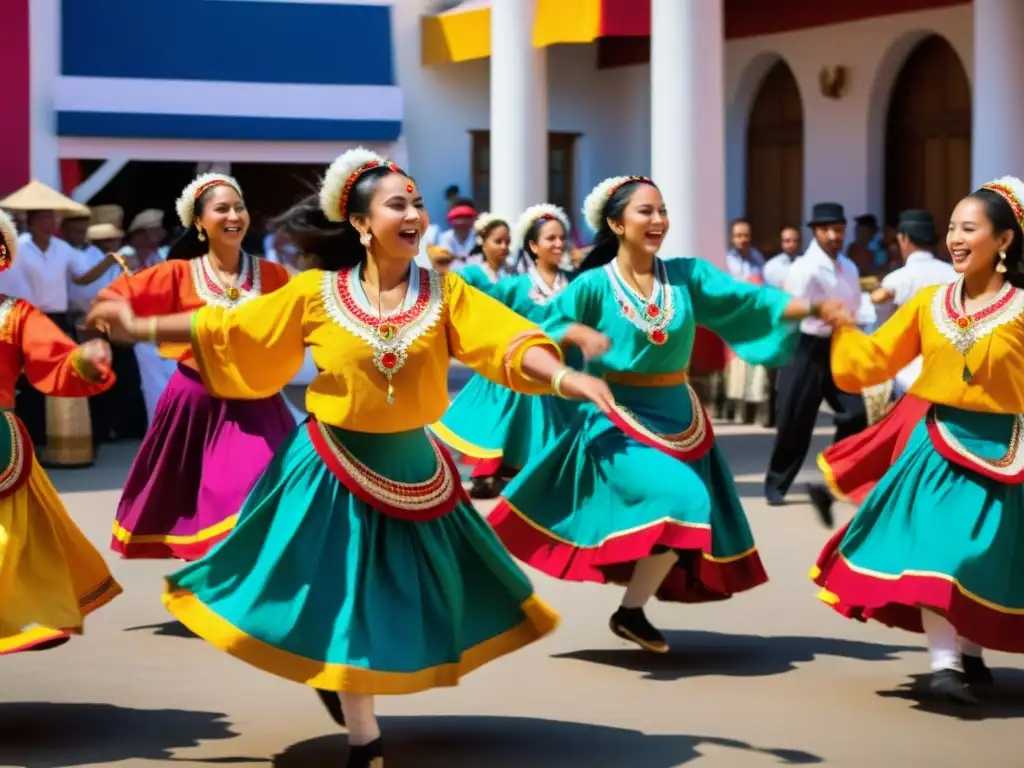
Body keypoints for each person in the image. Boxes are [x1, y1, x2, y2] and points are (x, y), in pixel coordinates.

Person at [87, 147, 614, 767]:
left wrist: (563, 378)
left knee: (410, 597)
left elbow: (504, 341)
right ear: (361, 224)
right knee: (348, 596)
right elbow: (229, 329)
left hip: (413, 468)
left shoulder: (448, 294)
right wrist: (140, 326)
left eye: (417, 202)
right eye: (399, 204)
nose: (414, 213)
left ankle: (346, 686)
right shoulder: (316, 292)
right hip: (330, 468)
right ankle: (365, 738)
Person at [486, 176, 852, 652]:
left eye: (662, 210)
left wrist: (810, 305)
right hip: (617, 420)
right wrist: (575, 332)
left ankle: (632, 611)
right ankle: (629, 605)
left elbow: (745, 299)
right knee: (685, 500)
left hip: (680, 417)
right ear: (617, 223)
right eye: (645, 211)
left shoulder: (685, 275)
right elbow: (537, 328)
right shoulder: (594, 285)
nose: (658, 220)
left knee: (680, 511)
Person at [812, 177, 1024, 705]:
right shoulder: (930, 302)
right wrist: (843, 329)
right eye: (951, 227)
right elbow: (875, 359)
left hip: (1007, 449)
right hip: (938, 443)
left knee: (984, 556)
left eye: (968, 228)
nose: (955, 237)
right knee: (939, 550)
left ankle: (969, 655)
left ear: (1003, 241)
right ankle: (945, 663)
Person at [98, 173, 294, 560]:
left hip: (258, 402)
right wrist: (103, 332)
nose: (234, 215)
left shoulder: (274, 276)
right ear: (200, 222)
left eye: (239, 207)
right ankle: (210, 587)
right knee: (208, 500)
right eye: (222, 209)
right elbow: (112, 301)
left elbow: (299, 320)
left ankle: (242, 587)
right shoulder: (176, 274)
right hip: (197, 402)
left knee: (260, 484)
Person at [0, 209, 123, 655]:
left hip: (0, 447)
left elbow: (57, 361)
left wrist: (86, 359)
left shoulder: (15, 316)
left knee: (7, 546)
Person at [811, 209, 956, 523]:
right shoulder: (954, 276)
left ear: (903, 240)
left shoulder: (899, 279)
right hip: (947, 376)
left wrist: (843, 314)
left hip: (906, 376)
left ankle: (871, 496)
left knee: (891, 444)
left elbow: (872, 307)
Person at [432, 204, 576, 499]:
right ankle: (502, 475)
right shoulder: (514, 285)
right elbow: (480, 314)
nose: (559, 244)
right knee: (514, 424)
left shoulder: (575, 284)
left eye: (562, 238)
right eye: (551, 238)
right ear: (534, 246)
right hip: (524, 368)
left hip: (564, 372)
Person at [764, 202, 867, 513]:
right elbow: (789, 309)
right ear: (817, 232)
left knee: (856, 413)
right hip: (804, 347)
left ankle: (837, 473)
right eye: (831, 230)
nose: (837, 236)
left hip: (837, 346)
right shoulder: (804, 268)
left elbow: (855, 304)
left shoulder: (849, 267)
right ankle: (776, 484)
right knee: (794, 420)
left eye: (840, 230)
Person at [458, 212, 512, 292]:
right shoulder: (470, 274)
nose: (504, 247)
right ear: (483, 243)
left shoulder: (514, 274)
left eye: (507, 242)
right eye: (498, 241)